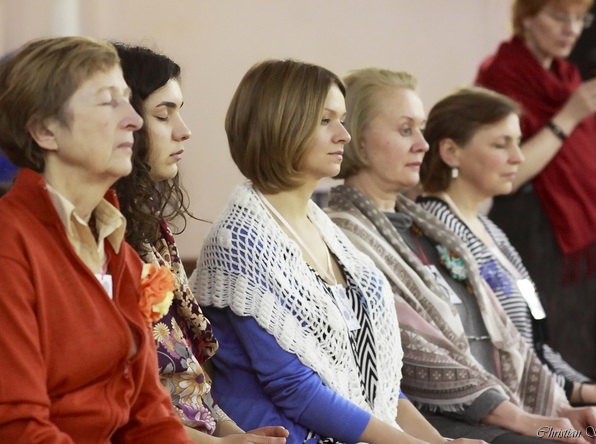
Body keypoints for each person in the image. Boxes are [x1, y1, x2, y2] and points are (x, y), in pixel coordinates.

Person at [325, 67, 596, 444]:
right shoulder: (342, 234)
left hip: (498, 411)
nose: (422, 144)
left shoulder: (428, 229)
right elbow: (410, 350)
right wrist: (523, 418)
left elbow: (510, 336)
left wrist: (560, 407)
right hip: (434, 422)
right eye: (405, 130)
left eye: (421, 129)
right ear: (357, 139)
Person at [189, 59, 483, 444]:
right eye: (326, 120)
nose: (344, 135)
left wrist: (438, 442)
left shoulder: (329, 234)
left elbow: (377, 380)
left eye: (342, 120)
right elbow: (296, 390)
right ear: (280, 125)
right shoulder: (240, 240)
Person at [419, 85, 596, 443]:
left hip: (550, 396)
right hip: (515, 411)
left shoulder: (490, 230)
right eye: (501, 144)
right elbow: (486, 356)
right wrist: (579, 394)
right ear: (450, 152)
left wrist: (587, 389)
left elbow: (536, 344)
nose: (518, 157)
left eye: (518, 143)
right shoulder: (435, 231)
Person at [0, 36, 194, 443]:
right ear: (45, 130)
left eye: (128, 100)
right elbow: (18, 428)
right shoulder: (10, 243)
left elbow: (151, 417)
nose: (134, 120)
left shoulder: (114, 246)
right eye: (109, 102)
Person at [475, 0, 596, 380]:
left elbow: (574, 167)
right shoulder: (503, 73)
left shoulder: (568, 76)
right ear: (527, 18)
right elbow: (510, 176)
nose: (573, 29)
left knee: (581, 359)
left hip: (581, 246)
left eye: (580, 19)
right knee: (543, 360)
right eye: (560, 16)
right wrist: (571, 115)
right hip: (535, 236)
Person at [112, 43, 289, 444]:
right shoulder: (101, 237)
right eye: (163, 114)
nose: (184, 130)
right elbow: (126, 401)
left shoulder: (151, 230)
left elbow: (187, 372)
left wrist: (231, 432)